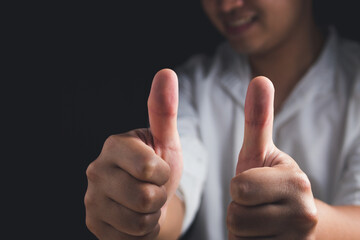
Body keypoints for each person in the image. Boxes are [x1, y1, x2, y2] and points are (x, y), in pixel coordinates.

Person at [84, 0, 360, 239]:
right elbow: (175, 194)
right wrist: (144, 208)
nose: (227, 5)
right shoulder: (192, 86)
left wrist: (312, 227)